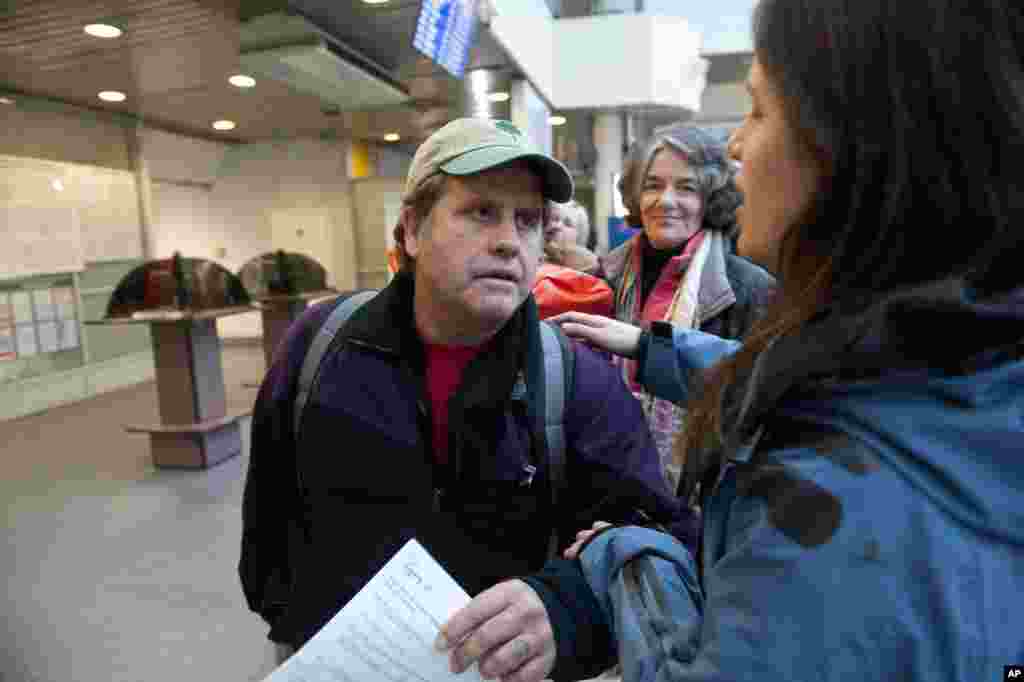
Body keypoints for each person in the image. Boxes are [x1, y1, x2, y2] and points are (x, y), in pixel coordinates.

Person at [435, 0, 1024, 679]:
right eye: (479, 213)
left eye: (757, 111)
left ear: (851, 150)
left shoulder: (825, 519)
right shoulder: (941, 364)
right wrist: (652, 346)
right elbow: (801, 381)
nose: (738, 144)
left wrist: (628, 561)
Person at [238, 117, 694, 662]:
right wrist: (297, 624)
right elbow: (269, 523)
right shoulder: (323, 345)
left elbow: (660, 540)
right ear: (411, 229)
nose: (508, 242)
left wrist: (567, 609)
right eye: (481, 212)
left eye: (527, 221)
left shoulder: (575, 384)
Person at [598, 122, 775, 491]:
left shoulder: (750, 288)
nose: (666, 201)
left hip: (701, 495)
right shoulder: (601, 279)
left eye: (686, 187)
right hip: (607, 480)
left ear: (710, 199)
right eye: (652, 185)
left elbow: (756, 402)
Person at [533, 200, 614, 320]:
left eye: (567, 223)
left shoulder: (593, 272)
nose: (556, 226)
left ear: (580, 235)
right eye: (553, 220)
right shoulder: (530, 260)